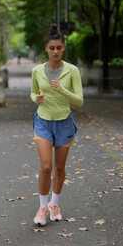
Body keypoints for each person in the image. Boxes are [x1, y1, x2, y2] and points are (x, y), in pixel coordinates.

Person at [30, 27, 83, 226]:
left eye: (59, 47)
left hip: (64, 123)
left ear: (63, 49)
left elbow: (79, 102)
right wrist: (37, 98)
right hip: (43, 121)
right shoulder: (36, 71)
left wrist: (62, 90)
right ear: (46, 48)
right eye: (51, 47)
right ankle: (42, 207)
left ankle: (55, 204)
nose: (55, 51)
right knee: (45, 167)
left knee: (59, 168)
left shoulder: (72, 71)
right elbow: (33, 93)